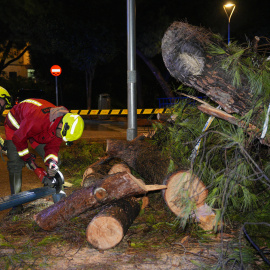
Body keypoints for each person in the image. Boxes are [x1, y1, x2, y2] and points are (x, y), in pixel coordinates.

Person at [4, 98, 84, 214]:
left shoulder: (60, 127)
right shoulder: (38, 119)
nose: (60, 138)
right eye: (61, 135)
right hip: (16, 126)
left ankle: (58, 199)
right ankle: (16, 206)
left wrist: (52, 163)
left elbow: (52, 148)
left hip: (37, 131)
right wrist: (29, 160)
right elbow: (19, 138)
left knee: (57, 159)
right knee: (16, 163)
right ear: (61, 125)